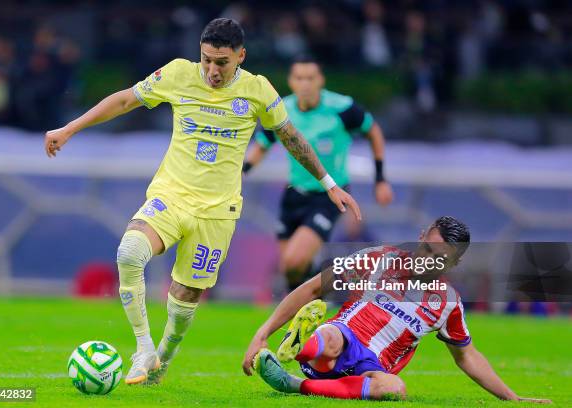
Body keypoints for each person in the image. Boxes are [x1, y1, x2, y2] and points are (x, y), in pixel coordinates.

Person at [43, 18, 360, 385]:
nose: (211, 70)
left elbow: (290, 137)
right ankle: (143, 348)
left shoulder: (257, 90)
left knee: (185, 295)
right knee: (130, 252)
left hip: (217, 213)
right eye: (206, 59)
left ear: (240, 56)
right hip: (171, 196)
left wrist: (328, 183)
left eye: (221, 62)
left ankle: (162, 358)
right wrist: (69, 128)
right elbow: (127, 99)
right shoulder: (178, 74)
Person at [242, 216, 551, 403]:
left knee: (395, 389)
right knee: (332, 337)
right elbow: (312, 288)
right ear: (420, 238)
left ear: (454, 263)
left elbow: (467, 356)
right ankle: (298, 346)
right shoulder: (378, 258)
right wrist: (261, 333)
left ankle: (294, 384)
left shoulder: (448, 302)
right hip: (342, 336)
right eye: (426, 249)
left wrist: (513, 398)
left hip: (371, 368)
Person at [243, 56, 393, 290]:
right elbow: (262, 144)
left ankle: (323, 282)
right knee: (289, 270)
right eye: (299, 78)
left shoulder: (342, 108)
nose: (305, 84)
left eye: (310, 78)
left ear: (320, 80)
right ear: (291, 82)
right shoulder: (281, 110)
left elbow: (373, 131)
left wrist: (380, 178)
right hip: (293, 194)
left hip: (328, 196)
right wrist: (241, 173)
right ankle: (312, 300)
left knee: (294, 260)